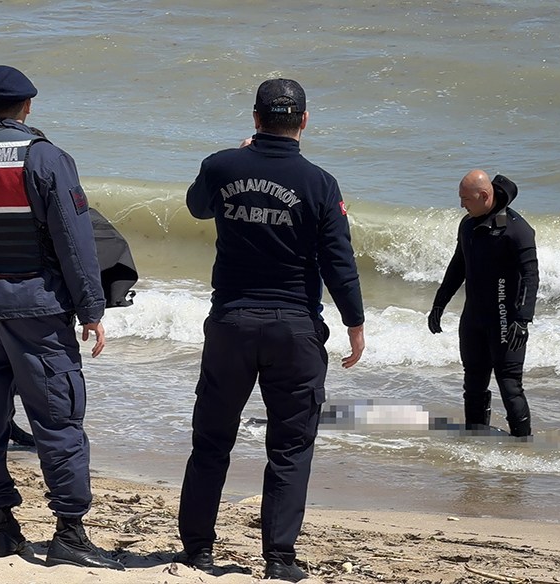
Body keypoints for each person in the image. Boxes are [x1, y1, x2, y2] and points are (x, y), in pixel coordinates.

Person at [0, 65, 123, 570]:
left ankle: (3, 529)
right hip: (37, 311)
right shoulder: (47, 158)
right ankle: (69, 534)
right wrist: (91, 309)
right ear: (28, 107)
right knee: (58, 420)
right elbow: (75, 241)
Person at [177, 78, 365, 583]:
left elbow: (197, 205)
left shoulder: (222, 165)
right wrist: (355, 323)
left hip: (231, 323)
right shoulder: (321, 183)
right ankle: (279, 559)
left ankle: (197, 550)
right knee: (289, 446)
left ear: (255, 119)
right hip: (295, 329)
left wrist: (235, 161)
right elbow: (337, 261)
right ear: (304, 120)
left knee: (212, 440)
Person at [427, 170, 538, 437]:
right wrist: (439, 303)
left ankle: (523, 448)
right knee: (473, 384)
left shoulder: (517, 231)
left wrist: (522, 320)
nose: (462, 204)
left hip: (504, 320)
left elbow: (530, 277)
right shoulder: (467, 225)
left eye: (466, 199)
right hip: (473, 320)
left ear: (484, 196)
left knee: (510, 386)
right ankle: (476, 445)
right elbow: (458, 266)